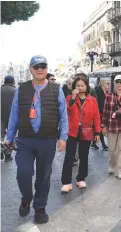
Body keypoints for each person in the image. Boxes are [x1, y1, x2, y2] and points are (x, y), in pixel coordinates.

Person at [4, 55, 68, 223]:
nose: (40, 69)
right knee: (24, 173)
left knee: (44, 176)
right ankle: (26, 198)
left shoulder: (56, 89)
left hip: (47, 139)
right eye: (36, 66)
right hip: (25, 139)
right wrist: (9, 137)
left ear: (46, 69)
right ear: (30, 69)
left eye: (43, 66)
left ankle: (40, 208)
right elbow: (14, 115)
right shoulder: (21, 89)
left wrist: (63, 137)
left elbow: (63, 115)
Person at [61, 76, 101, 193]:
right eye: (77, 85)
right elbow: (67, 110)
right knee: (69, 156)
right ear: (74, 87)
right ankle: (66, 182)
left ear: (86, 86)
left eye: (82, 85)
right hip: (72, 131)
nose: (80, 87)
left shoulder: (92, 100)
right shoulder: (69, 98)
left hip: (87, 130)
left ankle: (81, 178)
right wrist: (73, 97)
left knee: (84, 156)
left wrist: (97, 131)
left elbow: (96, 116)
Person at [102, 75, 121, 179]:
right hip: (112, 126)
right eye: (117, 83)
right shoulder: (109, 96)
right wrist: (104, 126)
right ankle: (112, 165)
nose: (119, 85)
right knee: (111, 149)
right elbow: (105, 112)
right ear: (114, 84)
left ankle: (120, 170)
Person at [91, 79, 110, 151]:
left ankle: (94, 143)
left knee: (100, 128)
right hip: (99, 113)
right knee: (100, 128)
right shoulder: (97, 90)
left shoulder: (107, 92)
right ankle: (103, 145)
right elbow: (96, 102)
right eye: (107, 83)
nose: (108, 85)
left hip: (104, 113)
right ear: (103, 84)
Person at [1, 75, 16, 162]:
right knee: (10, 136)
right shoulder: (15, 90)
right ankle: (8, 155)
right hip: (11, 117)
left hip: (0, 116)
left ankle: (0, 152)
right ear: (13, 81)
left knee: (1, 135)